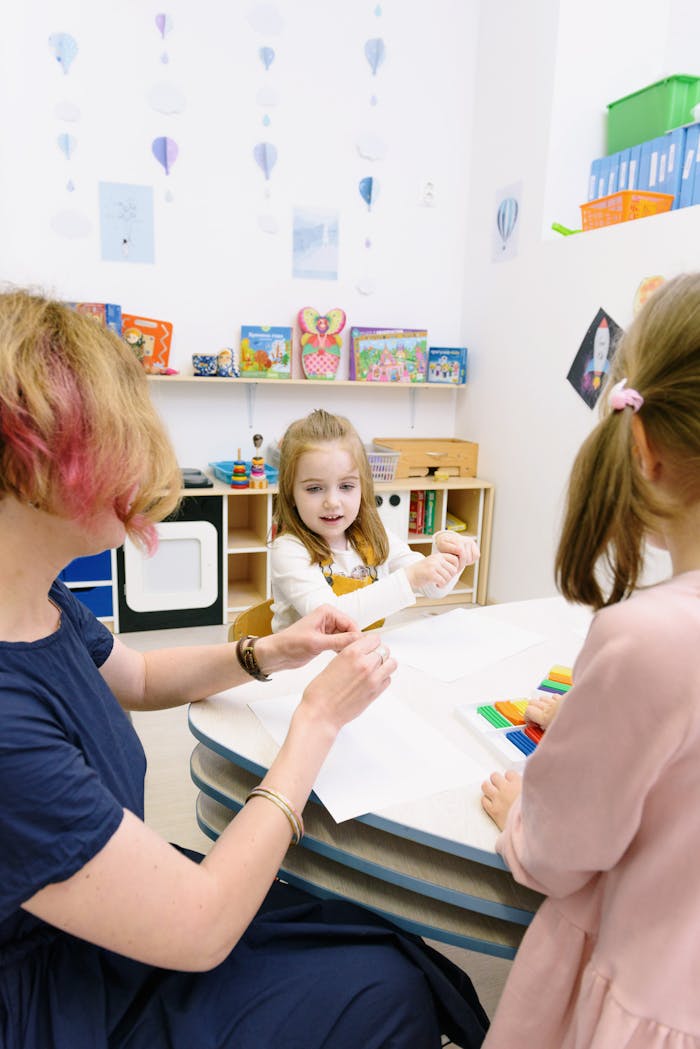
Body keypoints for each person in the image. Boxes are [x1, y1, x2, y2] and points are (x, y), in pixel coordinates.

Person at [0, 291, 490, 1048]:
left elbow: (135, 677)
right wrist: (317, 721)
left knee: (371, 933)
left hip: (99, 914)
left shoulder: (40, 595)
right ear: (36, 461)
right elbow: (198, 929)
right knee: (388, 986)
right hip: (57, 990)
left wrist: (268, 651)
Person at [479, 272, 700, 1048]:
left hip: (651, 999)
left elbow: (564, 852)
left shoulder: (649, 637)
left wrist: (521, 822)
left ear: (640, 447)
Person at [270, 409, 480, 632]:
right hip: (307, 665)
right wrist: (409, 578)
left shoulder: (373, 535)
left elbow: (433, 588)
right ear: (290, 493)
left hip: (361, 657)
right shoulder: (288, 549)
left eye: (346, 486)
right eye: (314, 488)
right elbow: (331, 623)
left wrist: (449, 553)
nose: (332, 502)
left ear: (363, 486)